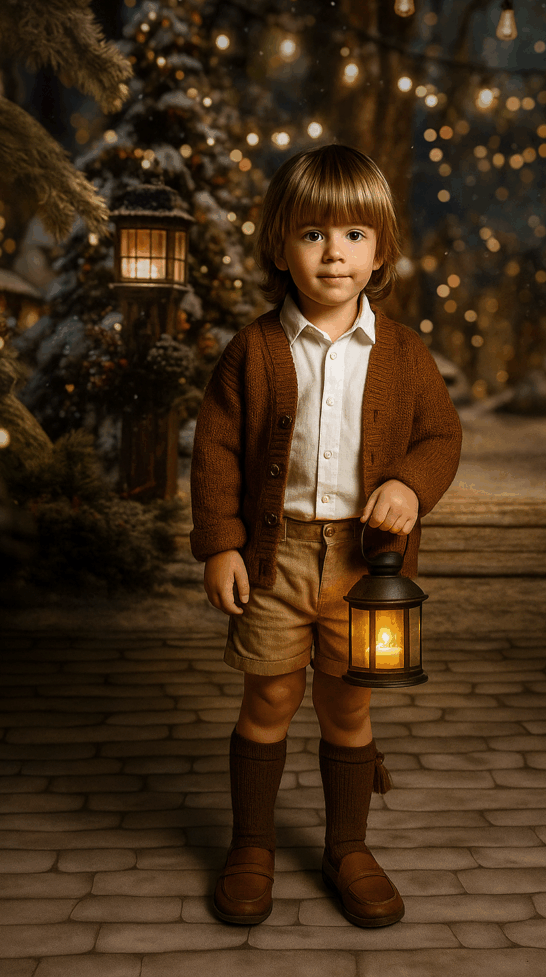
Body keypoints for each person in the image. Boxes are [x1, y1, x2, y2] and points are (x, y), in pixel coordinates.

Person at [190, 144, 462, 928]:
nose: (332, 252)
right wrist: (220, 543)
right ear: (280, 245)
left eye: (351, 235)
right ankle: (251, 844)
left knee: (347, 707)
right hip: (274, 559)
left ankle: (347, 845)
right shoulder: (255, 350)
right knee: (270, 693)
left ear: (380, 251)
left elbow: (440, 437)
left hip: (364, 565)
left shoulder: (403, 352)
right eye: (311, 234)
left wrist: (410, 485)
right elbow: (214, 447)